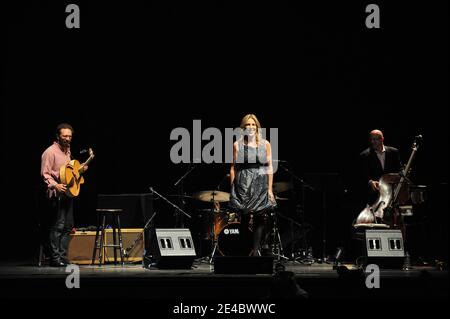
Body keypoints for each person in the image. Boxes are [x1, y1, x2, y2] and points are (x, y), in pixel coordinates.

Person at [40, 123, 87, 267]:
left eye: (70, 136)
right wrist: (55, 185)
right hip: (57, 194)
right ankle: (55, 258)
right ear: (58, 136)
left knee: (68, 226)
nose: (68, 139)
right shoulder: (50, 152)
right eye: (65, 136)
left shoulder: (67, 151)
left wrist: (80, 170)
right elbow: (45, 174)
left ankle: (62, 255)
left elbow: (68, 173)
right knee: (58, 226)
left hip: (68, 193)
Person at [229, 114, 276, 256]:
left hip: (260, 183)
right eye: (247, 125)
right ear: (243, 128)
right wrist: (233, 187)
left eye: (253, 124)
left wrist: (269, 189)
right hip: (243, 183)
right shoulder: (237, 144)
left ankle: (256, 250)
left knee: (260, 216)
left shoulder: (265, 144)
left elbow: (269, 167)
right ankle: (246, 249)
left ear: (257, 126)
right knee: (243, 216)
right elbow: (233, 167)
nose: (250, 127)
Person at [360, 129, 402, 206]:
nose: (372, 142)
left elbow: (399, 170)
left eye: (375, 139)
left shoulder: (393, 152)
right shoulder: (365, 155)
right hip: (376, 193)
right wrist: (370, 182)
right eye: (371, 139)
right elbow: (363, 174)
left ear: (382, 139)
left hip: (392, 191)